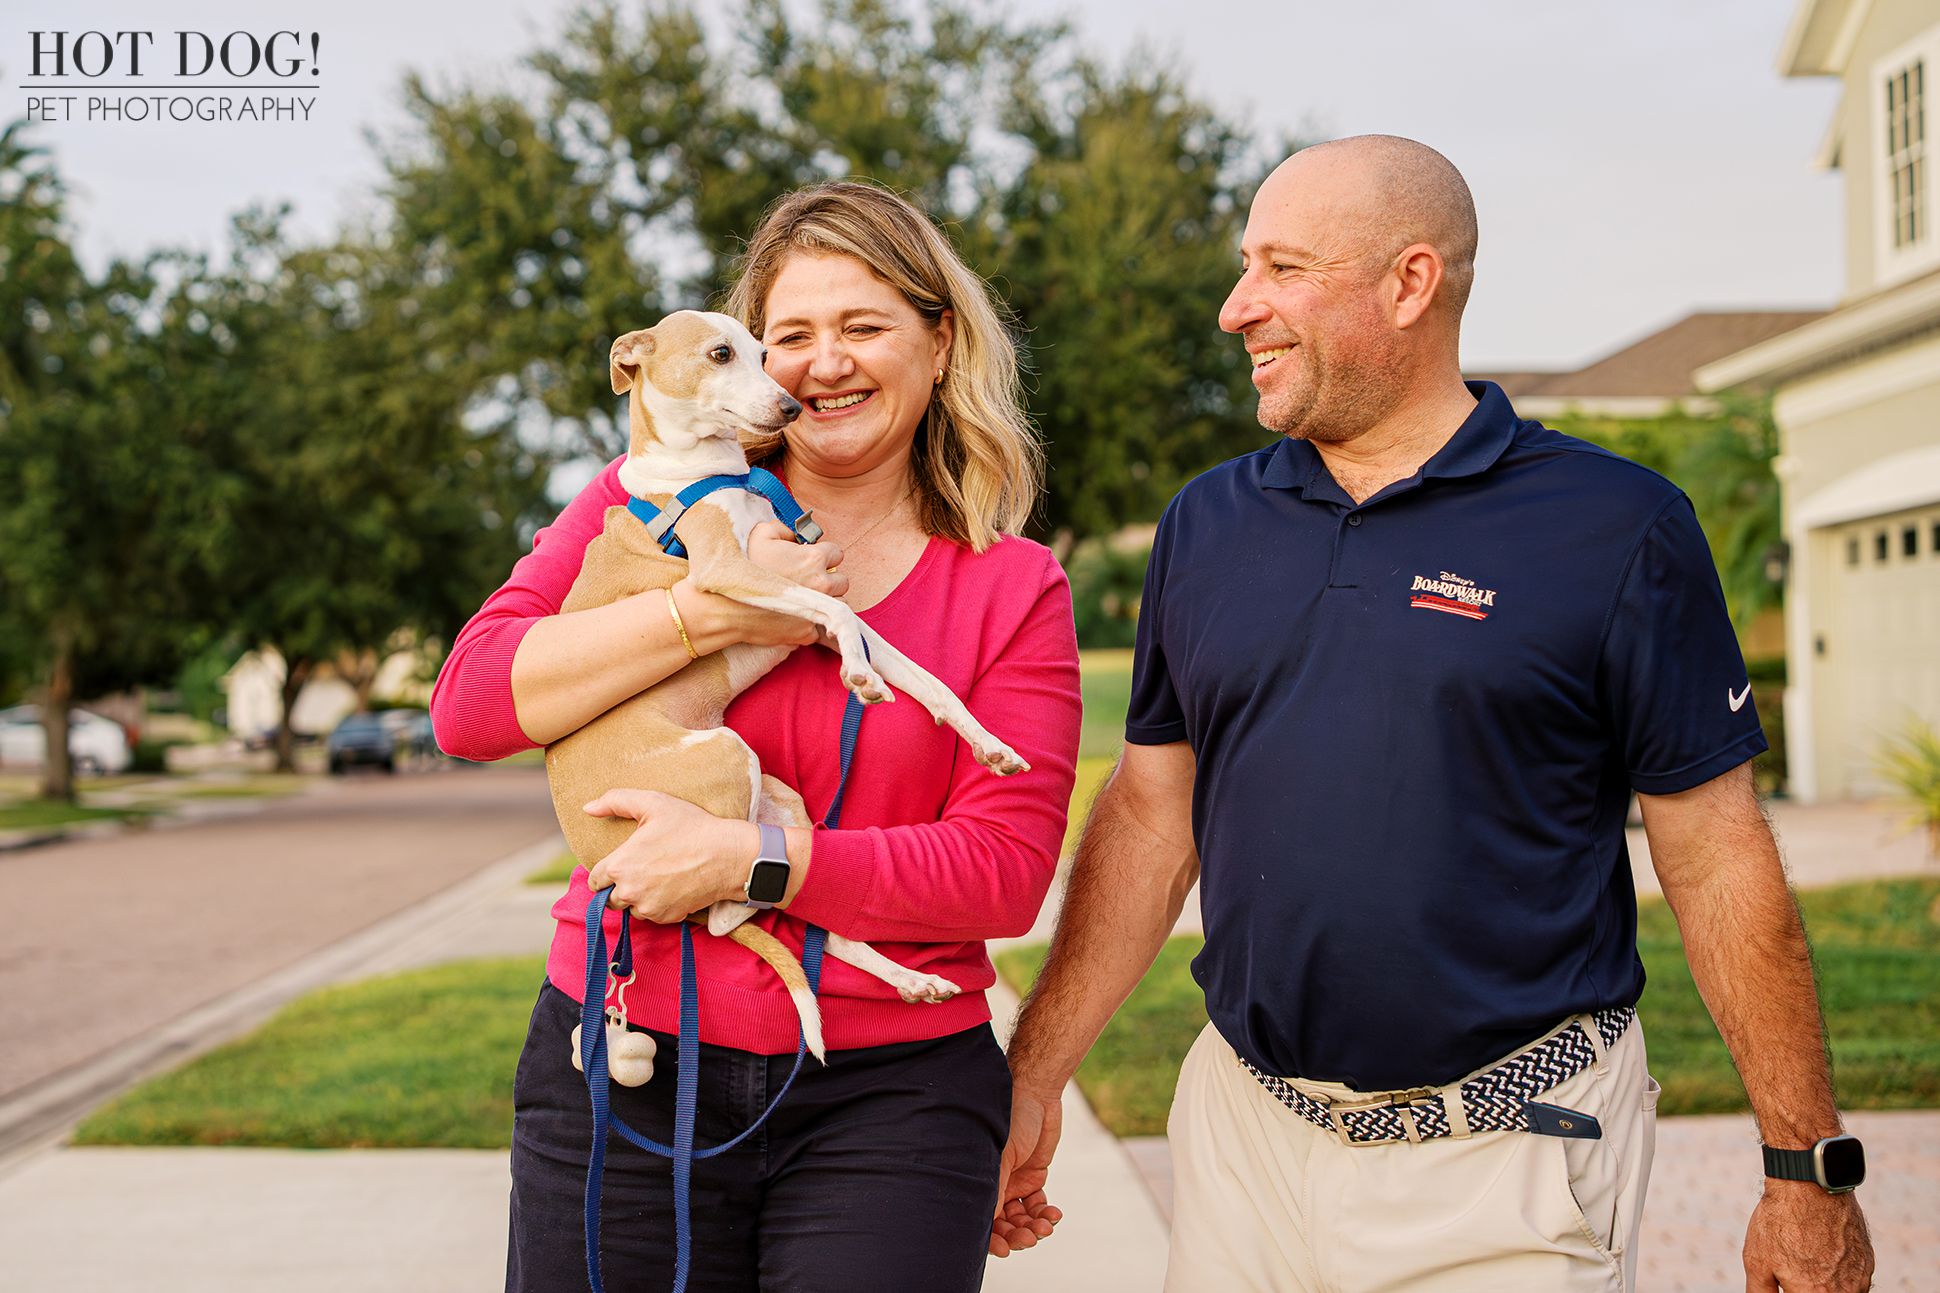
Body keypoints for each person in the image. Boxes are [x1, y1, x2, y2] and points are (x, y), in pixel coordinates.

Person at [991, 136, 1875, 1293]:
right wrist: (1034, 1072)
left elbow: (1713, 853)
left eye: (1281, 268)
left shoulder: (1615, 526)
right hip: (1244, 1137)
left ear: (1408, 284)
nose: (1232, 308)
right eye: (1243, 266)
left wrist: (1803, 1166)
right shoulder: (1205, 526)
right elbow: (1154, 813)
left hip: (1510, 1157)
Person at [432, 180, 1080, 1292]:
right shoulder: (645, 503)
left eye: (863, 327)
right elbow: (472, 708)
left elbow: (1003, 876)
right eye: (789, 336)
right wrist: (703, 610)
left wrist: (752, 863)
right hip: (623, 1059)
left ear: (938, 344)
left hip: (892, 1098)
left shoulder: (1010, 587)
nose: (818, 364)